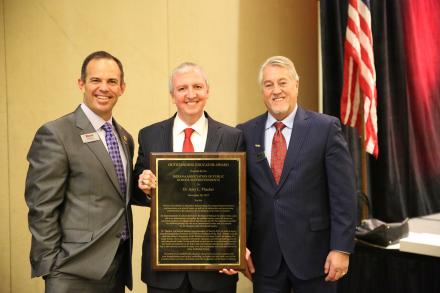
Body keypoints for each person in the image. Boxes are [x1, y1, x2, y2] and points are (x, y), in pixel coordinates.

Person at [237, 56, 356, 293]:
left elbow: (343, 195)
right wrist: (238, 246)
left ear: (296, 85)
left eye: (283, 82)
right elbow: (241, 197)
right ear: (262, 90)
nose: (276, 90)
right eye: (268, 84)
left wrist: (341, 249)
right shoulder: (245, 132)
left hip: (317, 258)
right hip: (265, 260)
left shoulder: (325, 128)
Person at [25, 51, 134, 293]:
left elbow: (120, 195)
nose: (103, 88)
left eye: (112, 81)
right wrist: (52, 266)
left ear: (122, 88)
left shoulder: (125, 138)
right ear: (81, 83)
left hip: (115, 267)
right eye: (95, 80)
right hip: (71, 269)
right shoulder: (56, 134)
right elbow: (41, 206)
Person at [133, 62, 245, 293]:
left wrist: (238, 247)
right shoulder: (150, 134)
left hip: (216, 264)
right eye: (182, 88)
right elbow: (136, 190)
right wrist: (143, 185)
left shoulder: (232, 137)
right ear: (172, 95)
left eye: (197, 86)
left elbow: (243, 198)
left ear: (207, 91)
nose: (191, 94)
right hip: (164, 265)